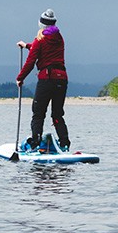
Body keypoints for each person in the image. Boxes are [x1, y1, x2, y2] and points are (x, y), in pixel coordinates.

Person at [17, 8, 70, 152]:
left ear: (41, 25)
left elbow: (30, 62)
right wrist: (27, 45)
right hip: (62, 79)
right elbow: (45, 50)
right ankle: (64, 144)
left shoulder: (39, 40)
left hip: (46, 79)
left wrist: (20, 79)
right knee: (57, 114)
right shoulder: (59, 38)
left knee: (38, 113)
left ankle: (35, 142)